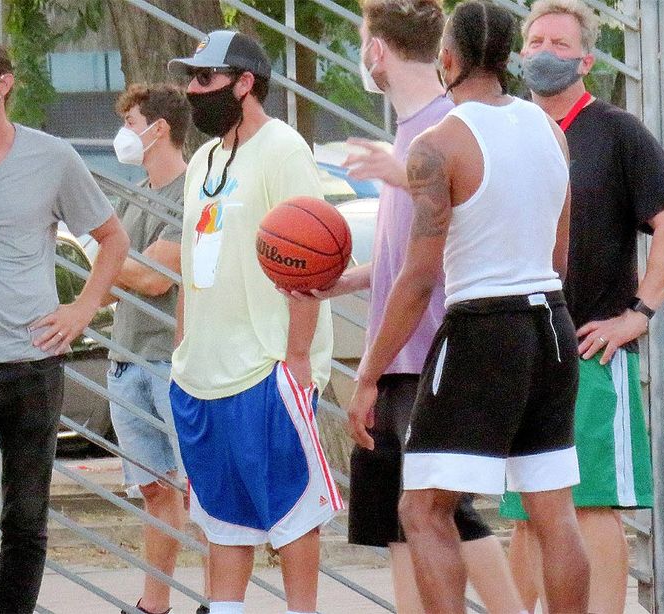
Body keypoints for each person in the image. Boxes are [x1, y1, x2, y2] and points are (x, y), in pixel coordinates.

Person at [349, 2, 590, 612]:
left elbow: (417, 279)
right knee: (554, 513)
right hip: (551, 322)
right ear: (510, 59)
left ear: (448, 59)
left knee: (423, 508)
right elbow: (560, 256)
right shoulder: (550, 132)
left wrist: (368, 373)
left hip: (484, 327)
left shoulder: (439, 145)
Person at [295, 2, 521, 612]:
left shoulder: (446, 129)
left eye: (362, 40)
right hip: (398, 354)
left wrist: (368, 370)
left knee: (448, 515)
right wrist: (346, 281)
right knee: (397, 525)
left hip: (433, 356)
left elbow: (450, 259)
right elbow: (407, 258)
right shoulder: (409, 131)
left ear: (376, 53)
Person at [500, 1, 664, 612]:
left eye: (559, 44)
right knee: (527, 513)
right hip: (517, 351)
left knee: (588, 504)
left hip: (587, 349)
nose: (544, 53)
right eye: (534, 41)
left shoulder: (615, 132)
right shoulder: (507, 129)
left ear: (586, 59)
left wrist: (639, 311)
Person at [0, 37, 128, 614]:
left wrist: (83, 309)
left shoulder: (53, 156)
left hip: (31, 364)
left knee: (25, 519)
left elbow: (112, 239)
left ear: (3, 83)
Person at [167, 30, 342, 614]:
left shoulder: (284, 149)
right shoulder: (203, 159)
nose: (193, 91)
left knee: (292, 514)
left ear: (245, 84)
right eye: (190, 78)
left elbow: (312, 259)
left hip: (267, 364)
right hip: (204, 370)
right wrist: (183, 350)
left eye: (205, 79)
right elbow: (194, 265)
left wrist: (296, 358)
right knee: (222, 519)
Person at [106, 83, 202, 614]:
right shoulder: (130, 193)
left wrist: (113, 265)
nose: (123, 133)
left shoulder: (191, 191)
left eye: (131, 121)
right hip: (125, 362)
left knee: (202, 492)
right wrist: (121, 266)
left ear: (159, 127)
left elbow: (153, 277)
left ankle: (220, 599)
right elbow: (122, 268)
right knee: (155, 494)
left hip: (173, 362)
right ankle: (154, 606)